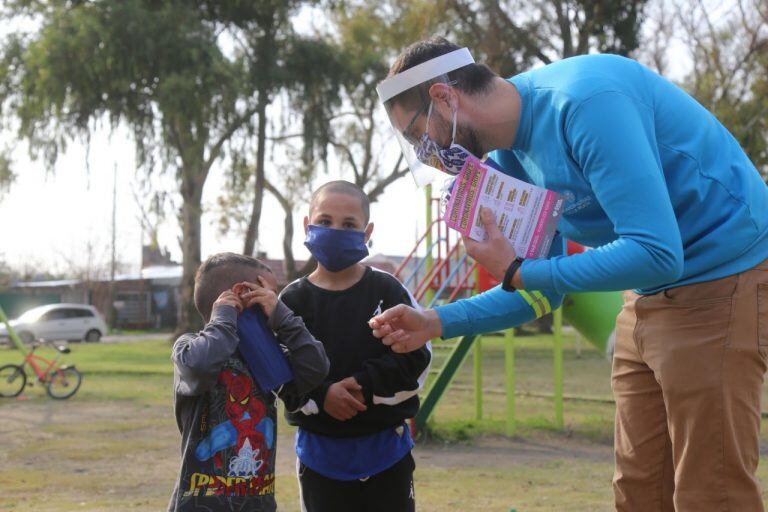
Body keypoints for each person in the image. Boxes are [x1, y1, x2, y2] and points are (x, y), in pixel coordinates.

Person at [370, 37, 768, 511]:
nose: (424, 153)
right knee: (639, 491)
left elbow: (658, 252)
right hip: (643, 298)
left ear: (443, 96)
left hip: (722, 278)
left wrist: (521, 270)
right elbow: (540, 294)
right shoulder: (507, 158)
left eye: (417, 134)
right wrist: (437, 322)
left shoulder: (584, 104)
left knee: (710, 493)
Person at [280, 180, 431, 512]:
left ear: (366, 231)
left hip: (387, 451)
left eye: (349, 224)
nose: (335, 230)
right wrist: (322, 394)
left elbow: (418, 357)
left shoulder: (387, 290)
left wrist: (365, 386)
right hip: (319, 456)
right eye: (325, 221)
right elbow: (278, 371)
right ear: (307, 225)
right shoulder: (291, 301)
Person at [168, 253, 330, 512]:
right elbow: (201, 365)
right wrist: (224, 316)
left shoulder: (267, 357)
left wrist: (283, 317)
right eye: (269, 295)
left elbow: (315, 368)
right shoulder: (188, 347)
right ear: (242, 293)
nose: (274, 302)